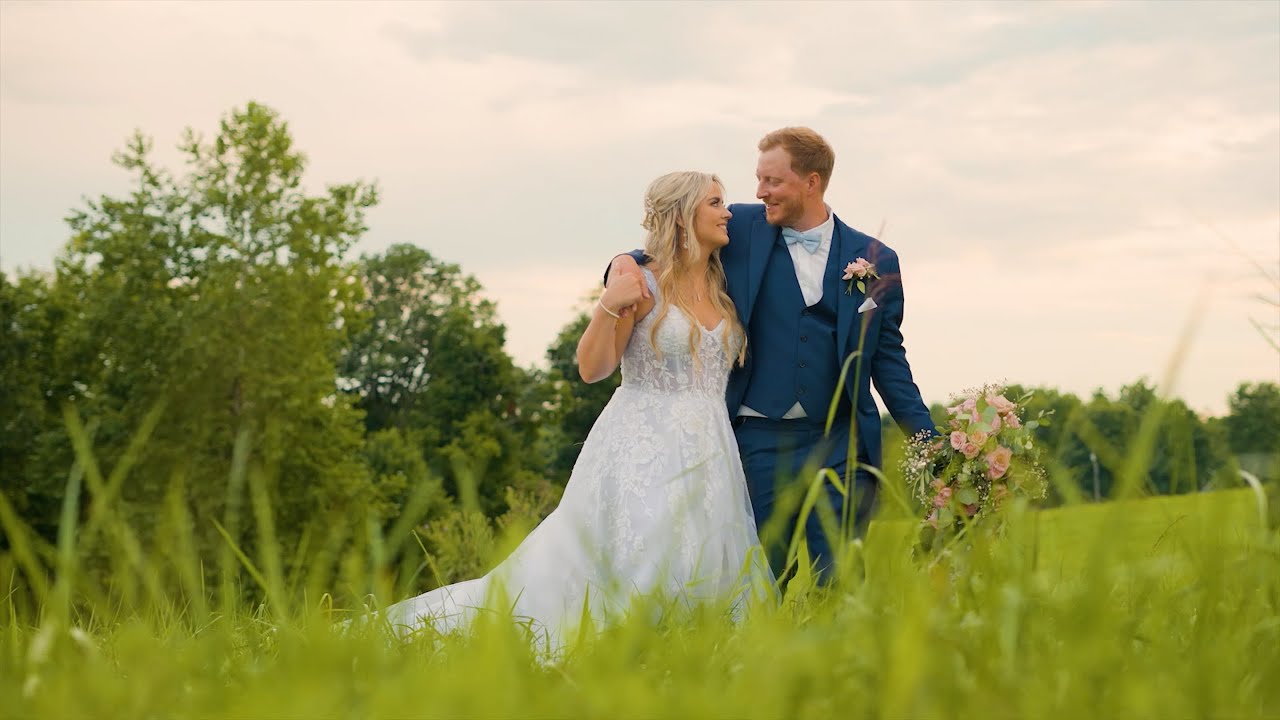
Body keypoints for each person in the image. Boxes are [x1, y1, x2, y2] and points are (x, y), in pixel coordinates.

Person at [380, 171, 773, 649]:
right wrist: (606, 306)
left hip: (711, 443)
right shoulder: (640, 280)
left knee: (708, 546)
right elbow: (593, 368)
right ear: (684, 213)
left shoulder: (722, 279)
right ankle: (631, 641)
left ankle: (695, 644)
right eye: (715, 202)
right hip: (643, 439)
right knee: (643, 545)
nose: (728, 211)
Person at [608, 127, 935, 583]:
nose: (760, 192)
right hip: (757, 442)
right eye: (758, 180)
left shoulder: (875, 256)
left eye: (772, 182)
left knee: (839, 582)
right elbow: (672, 232)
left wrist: (933, 446)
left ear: (811, 182)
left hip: (841, 441)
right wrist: (625, 261)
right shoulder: (739, 226)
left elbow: (888, 360)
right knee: (759, 582)